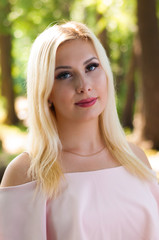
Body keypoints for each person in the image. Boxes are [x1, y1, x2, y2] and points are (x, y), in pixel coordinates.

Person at [0, 21, 159, 240]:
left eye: (91, 67)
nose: (84, 85)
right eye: (64, 75)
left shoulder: (135, 159)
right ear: (46, 92)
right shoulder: (27, 173)